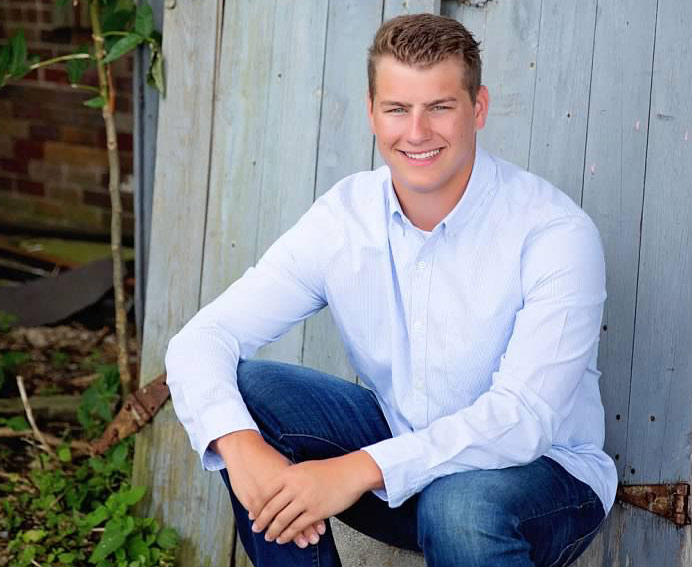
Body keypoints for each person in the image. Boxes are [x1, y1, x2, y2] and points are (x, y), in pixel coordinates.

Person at [165, 13, 617, 567]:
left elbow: (522, 419)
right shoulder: (345, 217)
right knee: (249, 395)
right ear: (372, 112)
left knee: (461, 506)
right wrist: (241, 449)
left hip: (539, 481)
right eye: (398, 108)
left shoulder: (552, 233)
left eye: (440, 107)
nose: (417, 132)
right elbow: (201, 339)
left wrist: (354, 470)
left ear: (478, 108)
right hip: (402, 460)